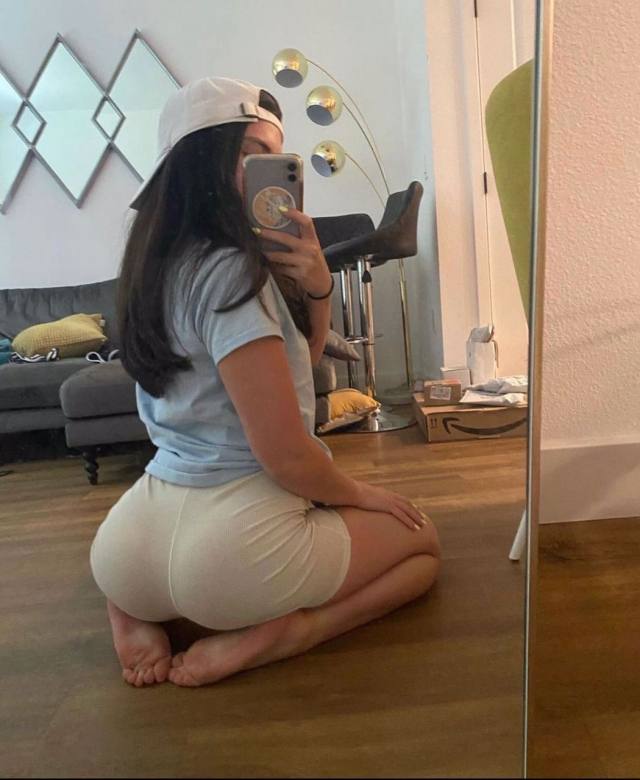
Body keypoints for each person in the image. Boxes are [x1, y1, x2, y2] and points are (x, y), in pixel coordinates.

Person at [90, 77, 441, 688]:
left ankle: (134, 611)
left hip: (126, 548)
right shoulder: (230, 271)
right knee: (423, 549)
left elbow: (296, 370)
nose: (270, 180)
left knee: (172, 576)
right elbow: (285, 454)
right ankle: (293, 631)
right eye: (252, 156)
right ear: (201, 162)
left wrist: (317, 286)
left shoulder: (153, 266)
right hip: (232, 552)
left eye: (277, 159)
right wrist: (361, 494)